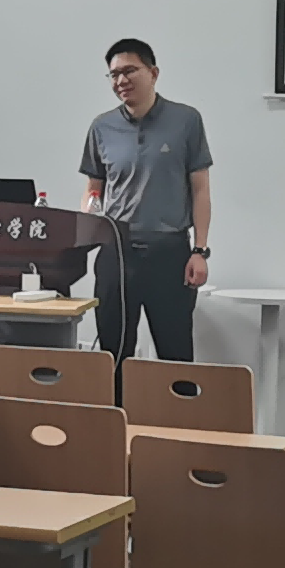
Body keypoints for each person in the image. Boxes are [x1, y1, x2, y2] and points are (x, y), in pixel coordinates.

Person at [79, 37, 211, 365]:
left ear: (153, 73)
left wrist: (200, 251)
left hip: (169, 253)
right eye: (114, 75)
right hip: (117, 253)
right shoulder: (102, 127)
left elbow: (200, 190)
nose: (121, 81)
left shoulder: (186, 121)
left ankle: (177, 402)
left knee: (175, 354)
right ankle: (116, 402)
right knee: (113, 352)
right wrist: (91, 221)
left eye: (129, 71)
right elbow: (94, 189)